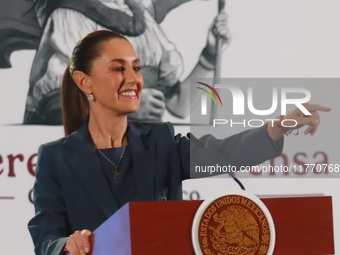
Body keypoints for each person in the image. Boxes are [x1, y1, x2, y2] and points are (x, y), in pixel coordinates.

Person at [27, 30, 330, 255]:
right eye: (119, 68)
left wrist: (279, 127)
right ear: (84, 82)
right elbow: (46, 237)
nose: (134, 78)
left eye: (136, 67)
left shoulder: (160, 140)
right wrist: (67, 244)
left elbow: (223, 153)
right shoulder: (56, 157)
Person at [21, 0, 231, 124]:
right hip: (92, 168)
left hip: (144, 160)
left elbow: (178, 105)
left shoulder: (140, 15)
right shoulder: (67, 15)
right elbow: (58, 108)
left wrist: (209, 56)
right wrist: (122, 109)